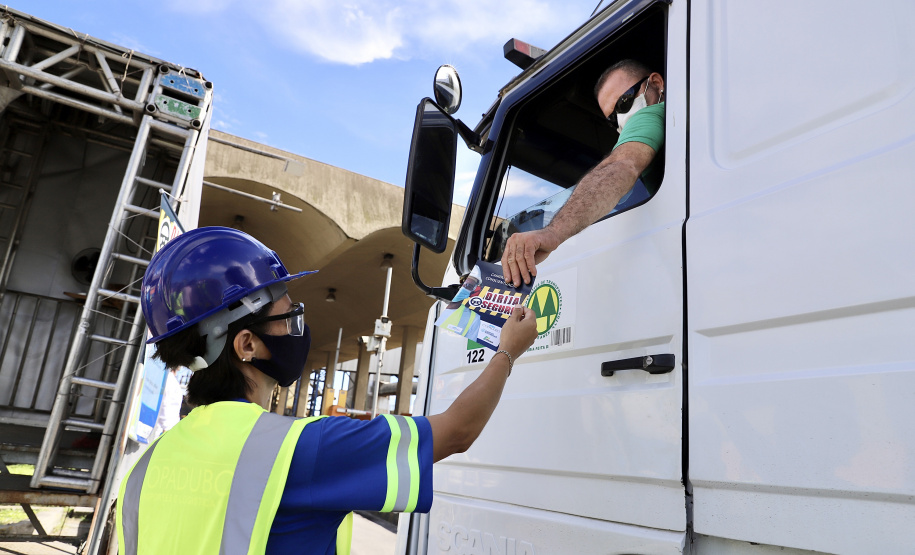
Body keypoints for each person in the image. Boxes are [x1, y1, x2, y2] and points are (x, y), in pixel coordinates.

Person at [116, 227, 538, 555]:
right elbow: (458, 430)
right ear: (246, 344)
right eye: (287, 317)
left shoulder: (144, 467)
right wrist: (507, 352)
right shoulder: (302, 450)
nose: (297, 327)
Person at [502, 59, 665, 287]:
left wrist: (553, 233)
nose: (620, 120)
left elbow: (621, 165)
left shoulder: (652, 114)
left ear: (656, 83)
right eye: (611, 119)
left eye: (624, 102)